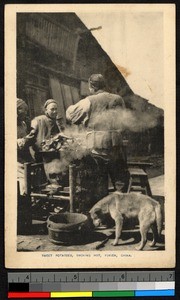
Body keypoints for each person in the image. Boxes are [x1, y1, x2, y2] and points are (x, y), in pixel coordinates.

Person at [66, 74, 129, 192]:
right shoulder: (118, 99)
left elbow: (70, 116)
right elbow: (124, 121)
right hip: (116, 148)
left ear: (91, 87)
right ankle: (121, 206)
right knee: (120, 183)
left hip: (97, 150)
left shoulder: (88, 101)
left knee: (99, 184)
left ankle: (101, 207)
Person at [17, 98, 32, 195]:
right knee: (22, 178)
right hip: (15, 158)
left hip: (24, 155)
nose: (26, 113)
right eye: (24, 110)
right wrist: (24, 140)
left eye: (27, 110)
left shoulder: (23, 124)